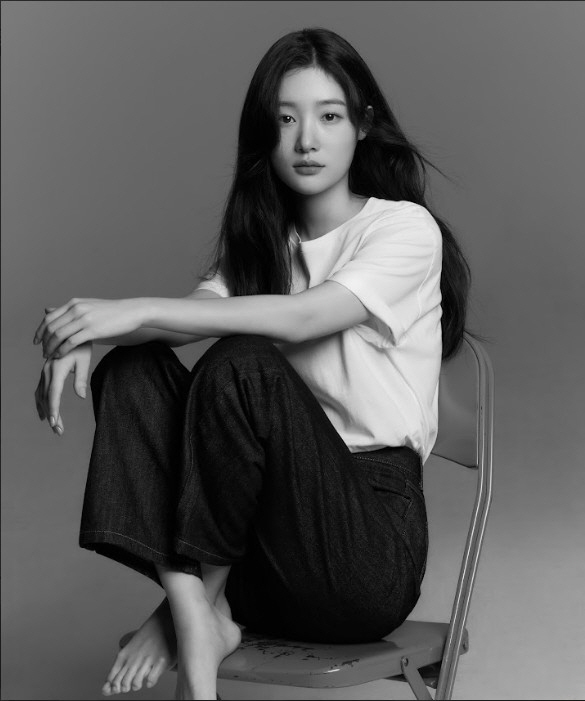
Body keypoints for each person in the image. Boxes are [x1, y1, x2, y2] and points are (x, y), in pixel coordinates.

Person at [33, 27, 471, 701]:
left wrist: (128, 308)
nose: (306, 140)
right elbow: (180, 319)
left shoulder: (402, 228)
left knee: (242, 360)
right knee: (132, 366)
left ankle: (191, 618)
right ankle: (193, 612)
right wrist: (88, 336)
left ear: (363, 125)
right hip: (258, 559)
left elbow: (303, 317)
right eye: (286, 119)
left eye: (329, 117)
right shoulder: (260, 247)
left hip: (363, 555)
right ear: (264, 133)